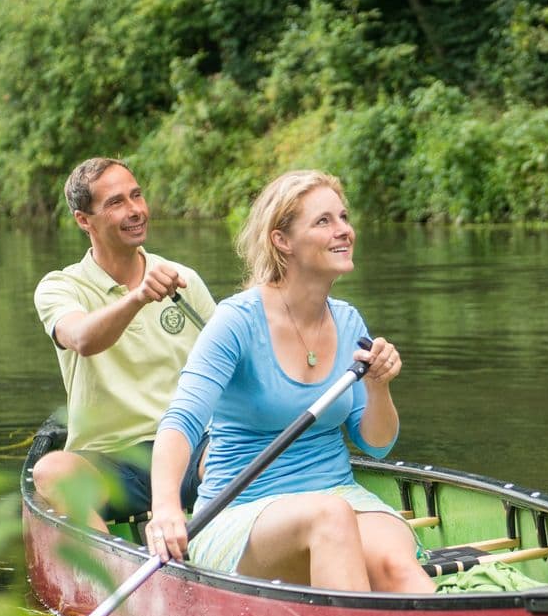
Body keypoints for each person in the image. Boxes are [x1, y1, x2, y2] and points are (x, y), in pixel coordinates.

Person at [145, 170, 434, 594]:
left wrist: (379, 385)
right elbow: (182, 421)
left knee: (397, 566)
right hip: (242, 511)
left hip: (338, 493)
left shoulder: (348, 320)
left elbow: (377, 444)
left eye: (344, 217)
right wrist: (166, 508)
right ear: (282, 240)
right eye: (323, 221)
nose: (343, 230)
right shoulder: (236, 321)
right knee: (329, 517)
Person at [32, 157, 216, 531]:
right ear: (84, 220)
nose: (135, 210)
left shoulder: (183, 279)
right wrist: (138, 297)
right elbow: (82, 338)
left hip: (186, 444)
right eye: (116, 202)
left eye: (137, 195)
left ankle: (221, 552)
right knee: (50, 470)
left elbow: (231, 363)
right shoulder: (60, 287)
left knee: (243, 452)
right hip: (108, 460)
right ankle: (108, 564)